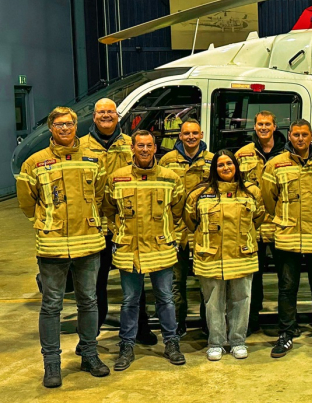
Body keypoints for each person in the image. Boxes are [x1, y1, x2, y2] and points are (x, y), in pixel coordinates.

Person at [17, 106, 110, 388]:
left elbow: (101, 194)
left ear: (75, 126)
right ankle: (52, 364)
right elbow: (26, 202)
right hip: (53, 245)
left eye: (69, 124)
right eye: (59, 125)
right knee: (51, 306)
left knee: (89, 301)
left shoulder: (94, 159)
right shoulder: (34, 162)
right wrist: (47, 222)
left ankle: (89, 355)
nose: (65, 129)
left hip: (88, 243)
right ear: (51, 129)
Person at [102, 130, 187, 370]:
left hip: (161, 248)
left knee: (166, 298)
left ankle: (171, 342)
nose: (144, 150)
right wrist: (119, 232)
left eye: (149, 146)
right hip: (130, 250)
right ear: (132, 149)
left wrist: (171, 234)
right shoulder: (117, 178)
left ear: (155, 148)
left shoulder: (170, 177)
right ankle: (126, 345)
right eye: (140, 146)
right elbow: (108, 209)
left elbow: (179, 210)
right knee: (130, 301)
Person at [261, 119, 312, 357]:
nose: (300, 139)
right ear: (290, 136)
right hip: (288, 236)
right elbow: (269, 199)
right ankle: (286, 332)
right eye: (296, 135)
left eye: (304, 135)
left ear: (311, 135)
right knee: (287, 287)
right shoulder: (276, 165)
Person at [79, 98, 156, 347]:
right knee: (95, 285)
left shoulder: (129, 145)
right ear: (93, 116)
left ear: (117, 115)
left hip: (127, 225)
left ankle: (140, 328)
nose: (106, 116)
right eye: (101, 111)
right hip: (94, 227)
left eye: (110, 112)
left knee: (134, 280)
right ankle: (91, 334)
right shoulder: (81, 147)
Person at [184, 150, 266, 360]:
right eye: (220, 165)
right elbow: (190, 220)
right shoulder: (200, 194)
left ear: (236, 166)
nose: (226, 168)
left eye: (229, 163)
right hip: (211, 256)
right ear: (214, 169)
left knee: (242, 299)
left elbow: (258, 218)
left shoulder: (251, 192)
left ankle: (238, 341)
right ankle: (216, 343)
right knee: (213, 302)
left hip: (242, 254)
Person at [159, 119, 213, 337]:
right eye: (186, 133)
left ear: (201, 135)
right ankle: (178, 324)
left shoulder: (213, 160)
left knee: (207, 281)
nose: (190, 137)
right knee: (175, 283)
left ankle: (208, 324)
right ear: (179, 136)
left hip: (206, 231)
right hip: (176, 231)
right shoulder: (167, 161)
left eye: (194, 133)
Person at [235, 110, 287, 334]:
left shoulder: (288, 153)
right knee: (252, 279)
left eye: (267, 124)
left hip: (280, 224)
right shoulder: (242, 155)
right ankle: (251, 321)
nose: (263, 128)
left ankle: (285, 323)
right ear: (254, 127)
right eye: (259, 124)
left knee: (286, 278)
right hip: (253, 225)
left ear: (275, 126)